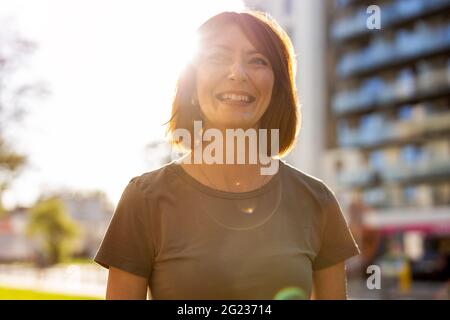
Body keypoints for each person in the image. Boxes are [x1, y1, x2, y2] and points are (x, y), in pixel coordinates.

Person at [94, 10, 360, 300]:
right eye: (218, 57)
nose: (237, 73)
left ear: (277, 87)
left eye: (257, 60)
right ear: (192, 83)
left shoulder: (318, 202)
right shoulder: (144, 198)